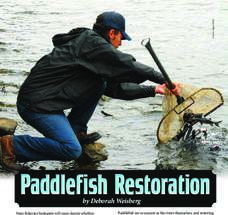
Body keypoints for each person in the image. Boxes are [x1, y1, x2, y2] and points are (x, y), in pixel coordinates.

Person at [0, 11, 179, 171]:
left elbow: (115, 88)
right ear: (112, 33)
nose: (121, 44)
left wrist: (154, 89)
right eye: (120, 38)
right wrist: (162, 78)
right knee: (71, 150)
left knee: (99, 84)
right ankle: (10, 145)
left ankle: (76, 130)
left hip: (47, 102)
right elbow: (127, 64)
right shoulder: (91, 42)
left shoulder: (93, 55)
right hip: (34, 104)